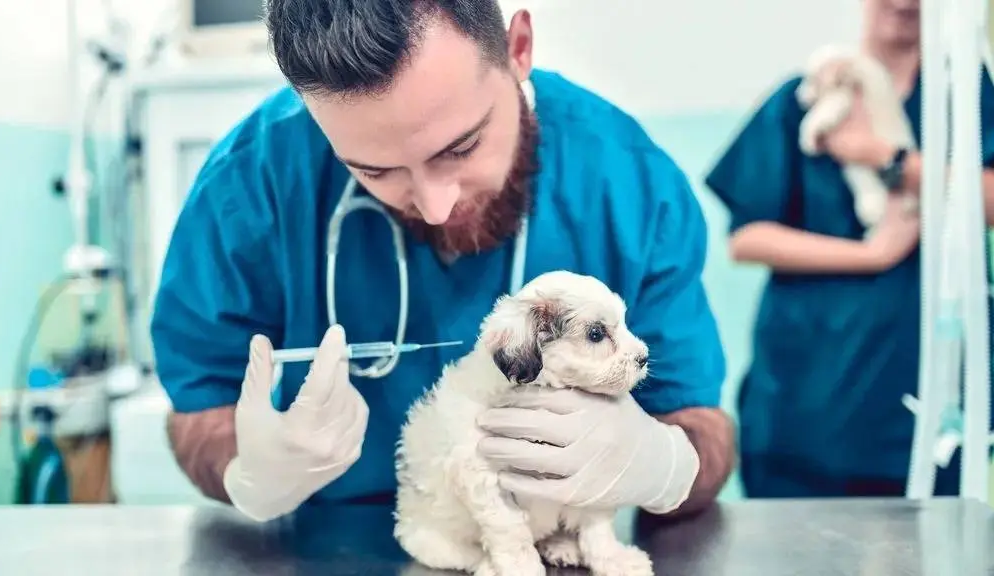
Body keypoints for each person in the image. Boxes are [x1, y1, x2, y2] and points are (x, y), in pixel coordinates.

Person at [151, 0, 733, 523]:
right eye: (374, 171)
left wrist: (661, 464)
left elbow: (702, 427)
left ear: (518, 50)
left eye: (461, 148)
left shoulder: (627, 182)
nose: (435, 206)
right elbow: (199, 411)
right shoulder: (254, 181)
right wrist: (247, 469)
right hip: (334, 545)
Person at [705, 0, 994, 498]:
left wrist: (881, 155)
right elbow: (747, 237)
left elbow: (985, 197)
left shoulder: (961, 97)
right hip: (804, 408)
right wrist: (872, 256)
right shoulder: (804, 99)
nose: (905, 3)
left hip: (921, 410)